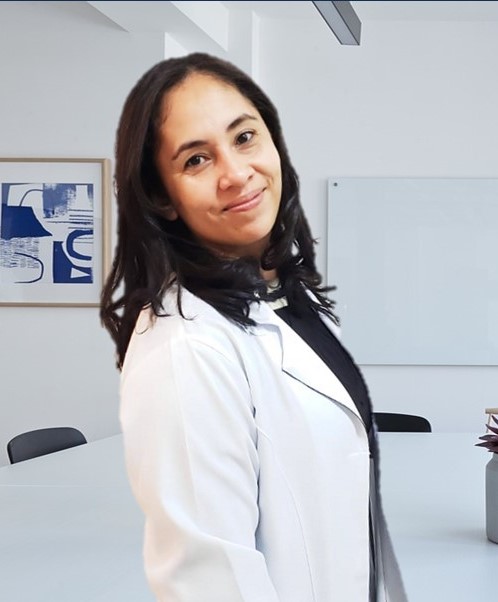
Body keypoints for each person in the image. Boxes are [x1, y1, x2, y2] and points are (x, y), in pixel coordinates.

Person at [100, 52, 407, 602]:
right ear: (162, 197)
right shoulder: (186, 347)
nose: (236, 173)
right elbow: (211, 582)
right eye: (196, 159)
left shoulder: (285, 301)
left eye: (244, 137)